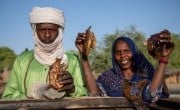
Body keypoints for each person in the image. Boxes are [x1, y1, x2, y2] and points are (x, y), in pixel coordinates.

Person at [1, 7, 87, 99]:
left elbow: (84, 95)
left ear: (60, 31)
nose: (47, 35)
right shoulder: (22, 60)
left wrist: (73, 90)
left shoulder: (72, 60)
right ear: (35, 31)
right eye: (42, 30)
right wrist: (32, 95)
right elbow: (7, 97)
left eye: (52, 30)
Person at [75, 35, 171, 110]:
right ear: (114, 56)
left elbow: (151, 94)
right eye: (118, 52)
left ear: (133, 52)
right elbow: (94, 92)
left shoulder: (146, 72)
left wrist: (164, 58)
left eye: (126, 51)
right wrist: (84, 56)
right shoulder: (109, 76)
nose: (122, 55)